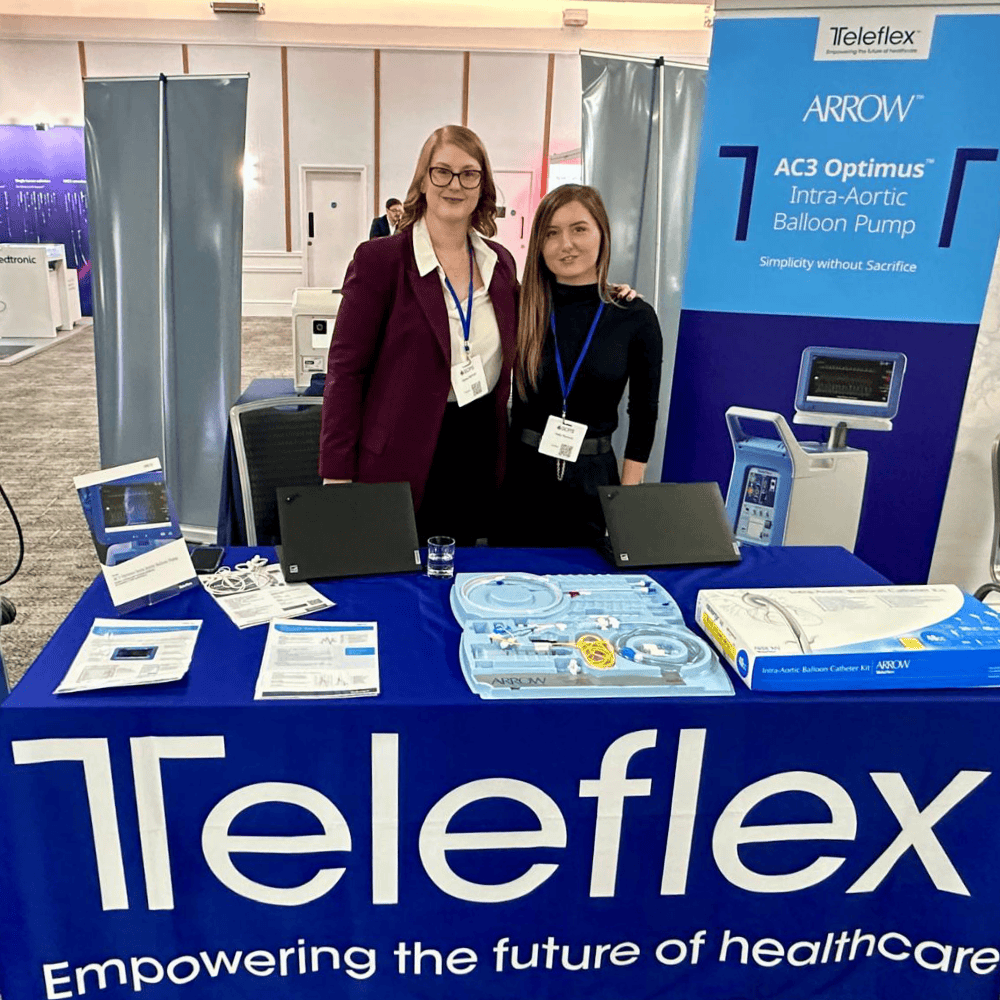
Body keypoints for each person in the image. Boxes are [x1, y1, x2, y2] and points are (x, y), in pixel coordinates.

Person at [320, 126, 518, 545]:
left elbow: (541, 309)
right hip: (399, 453)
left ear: (482, 186)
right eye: (442, 171)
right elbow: (345, 373)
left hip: (476, 447)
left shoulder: (500, 263)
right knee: (392, 569)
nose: (455, 184)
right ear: (423, 181)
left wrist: (605, 292)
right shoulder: (381, 261)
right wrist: (336, 472)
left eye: (469, 174)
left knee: (461, 569)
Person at [502, 184, 663, 548]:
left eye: (579, 229)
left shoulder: (634, 316)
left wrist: (626, 500)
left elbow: (644, 413)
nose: (566, 244)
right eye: (552, 233)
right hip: (521, 484)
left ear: (602, 234)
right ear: (539, 244)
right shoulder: (520, 306)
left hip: (594, 484)